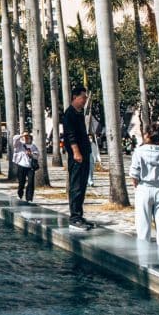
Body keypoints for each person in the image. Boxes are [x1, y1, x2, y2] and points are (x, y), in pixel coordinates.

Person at [130, 129, 159, 246]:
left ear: (147, 136)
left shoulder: (139, 151)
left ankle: (144, 260)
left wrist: (137, 186)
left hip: (144, 187)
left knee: (143, 226)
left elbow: (134, 174)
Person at [63, 85, 93, 229]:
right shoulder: (69, 114)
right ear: (75, 97)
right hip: (77, 155)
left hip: (85, 152)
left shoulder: (79, 113)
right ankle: (74, 217)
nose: (85, 100)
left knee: (82, 185)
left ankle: (79, 215)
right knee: (76, 186)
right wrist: (76, 152)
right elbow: (70, 135)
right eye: (83, 97)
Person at [13, 131, 40, 203]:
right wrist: (22, 135)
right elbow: (15, 139)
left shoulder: (33, 146)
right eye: (25, 137)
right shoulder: (20, 145)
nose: (26, 139)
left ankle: (29, 198)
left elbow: (37, 155)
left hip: (30, 167)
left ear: (31, 139)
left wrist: (31, 154)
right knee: (21, 182)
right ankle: (20, 194)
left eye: (28, 137)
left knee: (31, 183)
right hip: (21, 166)